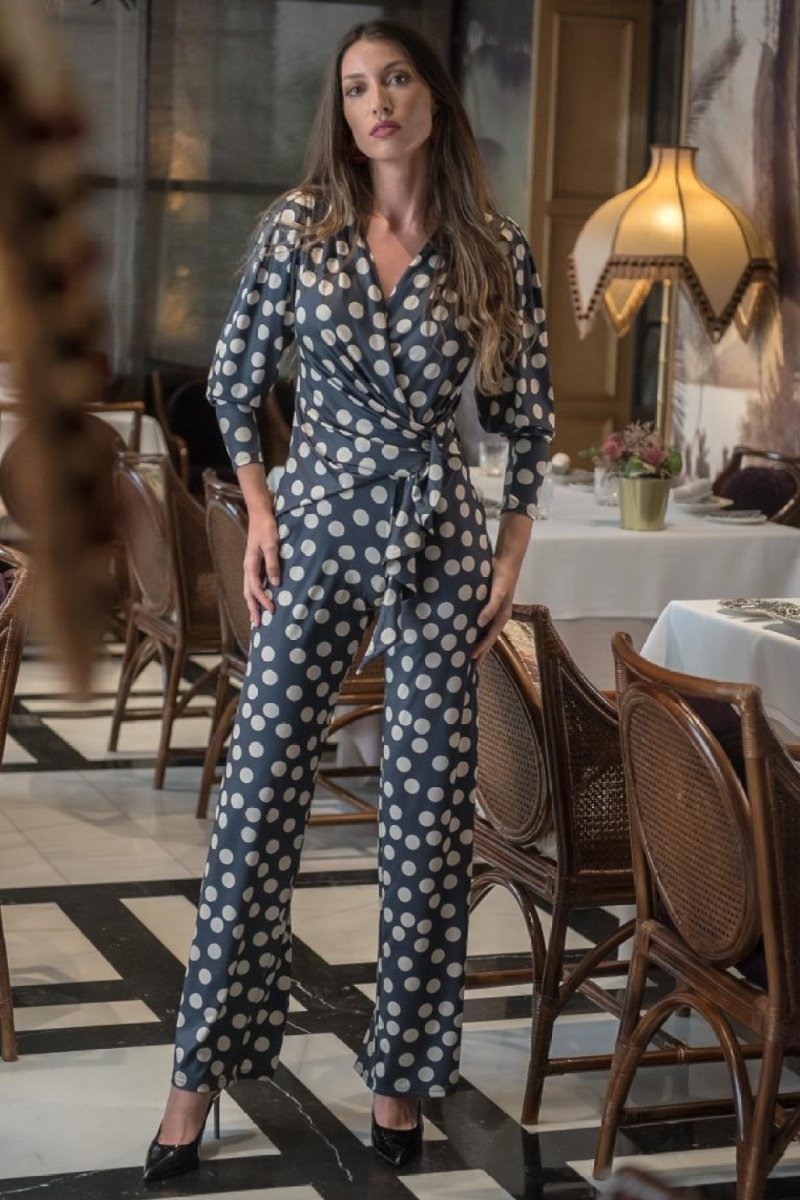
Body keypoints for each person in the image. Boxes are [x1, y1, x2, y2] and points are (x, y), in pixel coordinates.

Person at [143, 17, 554, 1183]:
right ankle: (196, 1075)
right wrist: (260, 512)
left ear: (431, 100)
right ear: (345, 111)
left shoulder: (491, 249)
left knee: (425, 821)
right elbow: (233, 381)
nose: (376, 103)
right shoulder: (300, 226)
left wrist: (508, 557)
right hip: (316, 523)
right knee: (256, 797)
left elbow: (526, 417)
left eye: (396, 80)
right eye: (358, 87)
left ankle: (399, 1078)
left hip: (437, 537)